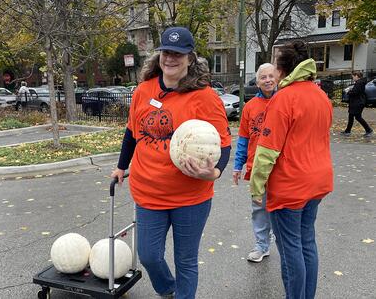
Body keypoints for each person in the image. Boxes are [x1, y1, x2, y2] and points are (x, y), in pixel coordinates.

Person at [111, 26, 231, 299]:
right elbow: (132, 132)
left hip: (191, 196)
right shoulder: (143, 91)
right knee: (149, 256)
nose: (171, 59)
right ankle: (168, 288)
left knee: (186, 260)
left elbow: (224, 145)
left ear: (190, 58)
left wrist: (214, 172)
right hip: (148, 192)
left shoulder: (206, 97)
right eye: (166, 52)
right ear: (159, 56)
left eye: (178, 53)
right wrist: (121, 165)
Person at [250, 40, 333, 299]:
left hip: (291, 185)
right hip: (317, 181)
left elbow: (267, 151)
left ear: (282, 68)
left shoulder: (283, 98)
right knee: (307, 241)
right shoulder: (320, 96)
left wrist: (256, 186)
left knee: (290, 248)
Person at [233, 63, 277, 263]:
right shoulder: (250, 107)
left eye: (271, 76)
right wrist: (237, 165)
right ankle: (261, 245)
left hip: (281, 167)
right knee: (259, 208)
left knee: (281, 208)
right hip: (256, 167)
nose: (267, 80)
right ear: (257, 81)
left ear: (277, 77)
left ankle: (284, 244)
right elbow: (243, 139)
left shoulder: (284, 101)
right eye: (263, 77)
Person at [341, 71, 373, 137]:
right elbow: (357, 91)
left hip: (358, 103)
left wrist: (348, 91)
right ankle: (347, 131)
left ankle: (369, 130)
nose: (352, 78)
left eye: (353, 76)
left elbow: (355, 92)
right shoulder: (360, 82)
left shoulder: (359, 83)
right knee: (351, 116)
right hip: (356, 102)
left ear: (356, 76)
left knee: (358, 117)